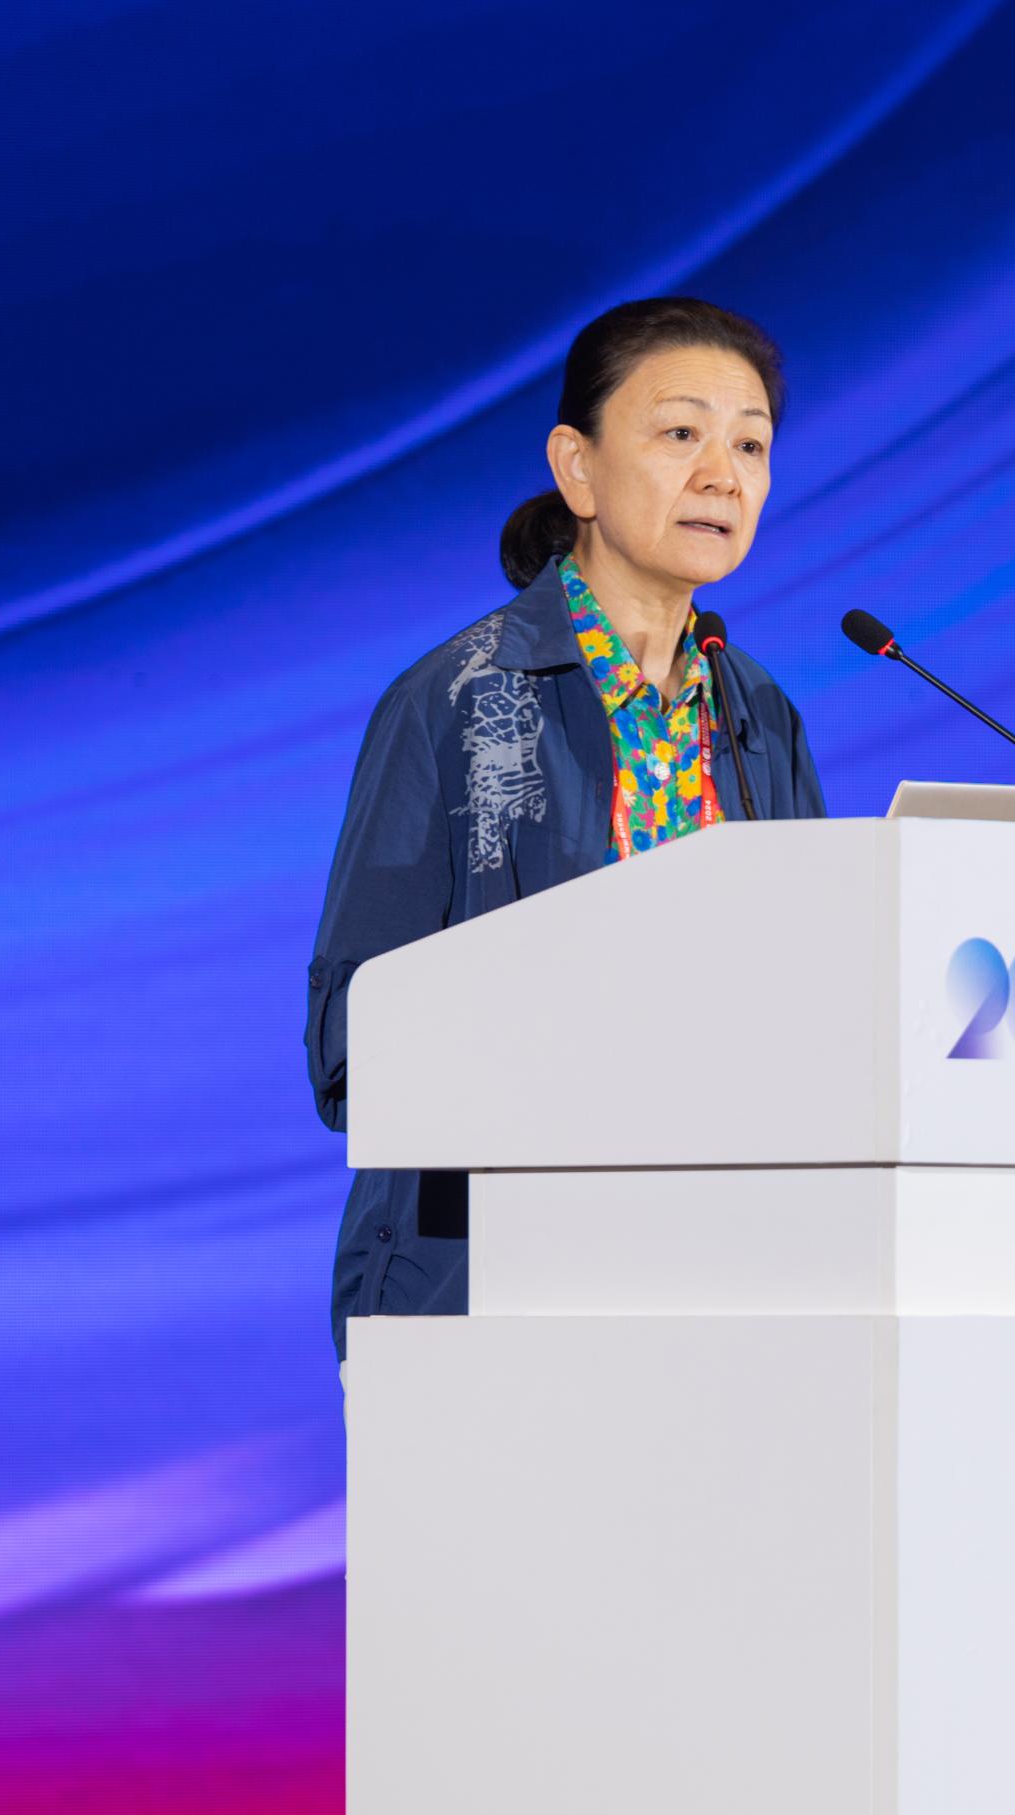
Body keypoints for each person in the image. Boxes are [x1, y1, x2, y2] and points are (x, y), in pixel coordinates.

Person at [305, 297, 828, 1353]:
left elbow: (823, 1005)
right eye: (680, 433)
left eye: (751, 445)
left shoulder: (759, 716)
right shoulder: (458, 700)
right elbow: (351, 1046)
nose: (723, 477)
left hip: (720, 1286)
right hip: (486, 1291)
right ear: (577, 467)